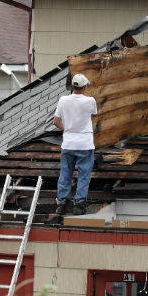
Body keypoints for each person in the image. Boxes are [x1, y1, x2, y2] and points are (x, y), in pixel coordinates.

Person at [53, 73, 98, 215]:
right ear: (85, 87)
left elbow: (56, 121)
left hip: (68, 144)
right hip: (85, 144)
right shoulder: (90, 101)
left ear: (72, 86)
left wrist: (67, 129)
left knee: (65, 173)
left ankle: (61, 203)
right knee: (84, 175)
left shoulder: (63, 100)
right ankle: (79, 204)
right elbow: (93, 115)